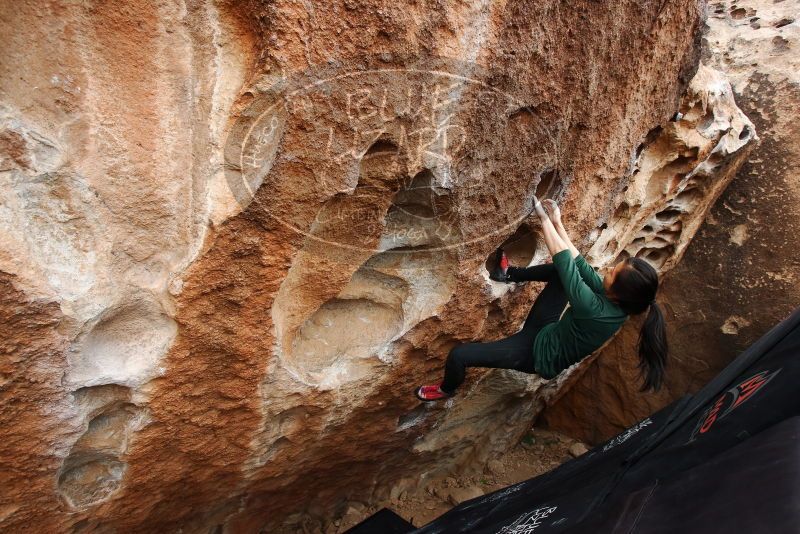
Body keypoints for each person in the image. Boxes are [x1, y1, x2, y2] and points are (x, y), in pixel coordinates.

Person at [415, 196, 668, 401]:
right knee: (563, 272)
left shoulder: (596, 311)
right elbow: (578, 263)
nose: (609, 269)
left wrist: (543, 218)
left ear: (618, 292)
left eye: (613, 273)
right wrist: (558, 222)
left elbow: (564, 259)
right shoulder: (617, 300)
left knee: (459, 356)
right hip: (547, 330)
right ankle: (508, 274)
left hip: (534, 355)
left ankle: (446, 389)